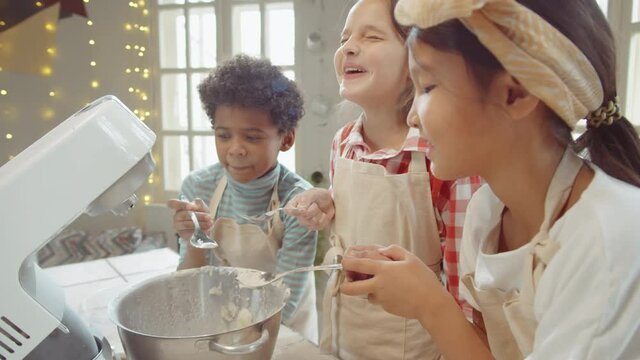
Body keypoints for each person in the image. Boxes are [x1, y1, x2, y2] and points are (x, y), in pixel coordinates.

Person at [340, 0, 640, 359]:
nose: (413, 119)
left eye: (429, 87)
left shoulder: (604, 238)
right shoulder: (488, 213)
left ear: (516, 94)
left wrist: (431, 305)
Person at [285, 0, 482, 358]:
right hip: (342, 334)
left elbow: (465, 299)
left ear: (417, 59)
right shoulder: (343, 142)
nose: (348, 48)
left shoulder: (444, 158)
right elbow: (355, 207)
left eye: (372, 36)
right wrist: (327, 201)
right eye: (344, 38)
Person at [166, 54, 318, 342]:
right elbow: (189, 285)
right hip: (222, 327)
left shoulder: (298, 202)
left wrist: (244, 346)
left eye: (252, 137)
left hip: (286, 336)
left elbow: (287, 298)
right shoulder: (198, 187)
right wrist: (194, 238)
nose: (235, 149)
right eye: (224, 136)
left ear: (285, 139)